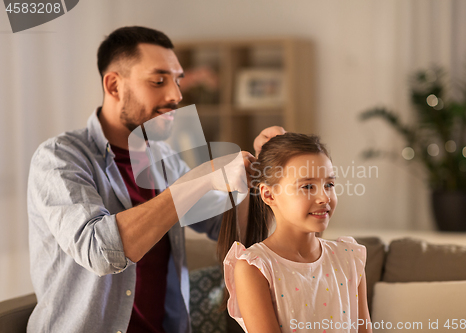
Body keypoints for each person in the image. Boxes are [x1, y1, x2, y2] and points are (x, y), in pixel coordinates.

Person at [26, 26, 284, 333]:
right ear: (113, 85)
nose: (176, 95)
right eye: (158, 81)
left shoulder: (164, 158)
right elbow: (99, 252)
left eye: (177, 80)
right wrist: (200, 178)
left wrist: (259, 172)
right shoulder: (59, 158)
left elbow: (229, 232)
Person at [220, 133, 372, 333]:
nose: (324, 197)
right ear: (269, 194)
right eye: (308, 186)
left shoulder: (350, 258)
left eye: (329, 184)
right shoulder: (254, 268)